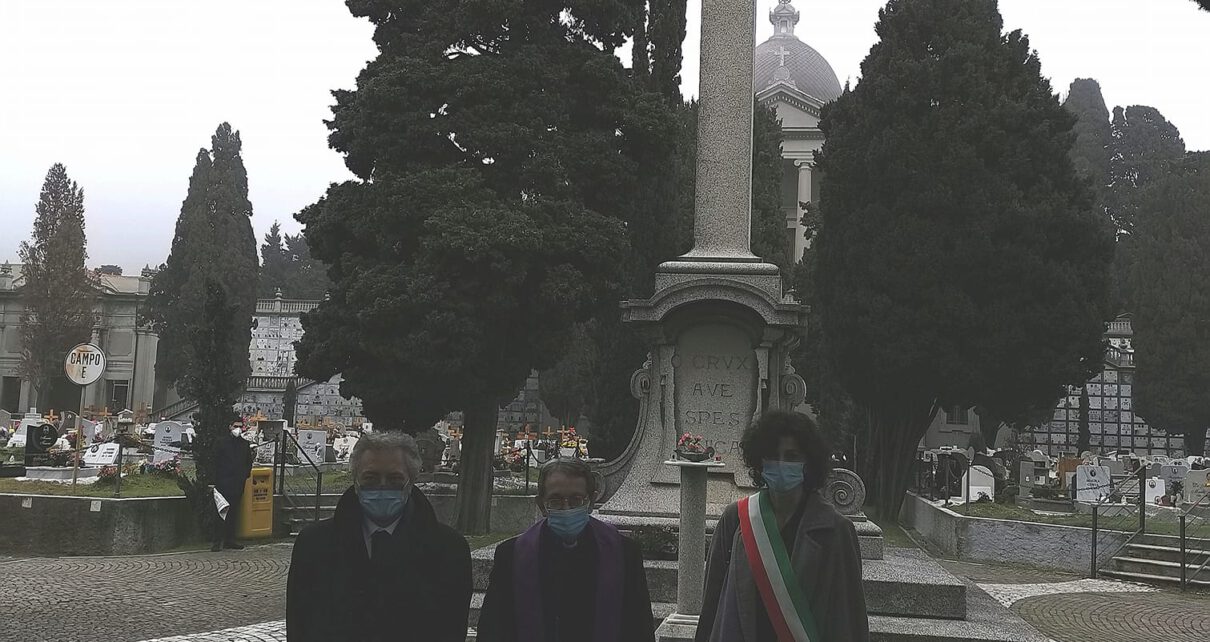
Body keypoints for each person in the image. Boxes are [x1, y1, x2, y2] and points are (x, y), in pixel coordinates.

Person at [697, 410, 869, 642]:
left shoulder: (836, 529)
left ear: (808, 462)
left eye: (791, 456)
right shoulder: (736, 518)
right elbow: (711, 603)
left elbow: (850, 615)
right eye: (772, 455)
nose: (781, 463)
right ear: (759, 461)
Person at [287, 431, 471, 642]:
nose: (382, 486)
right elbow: (299, 626)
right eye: (371, 478)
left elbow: (452, 630)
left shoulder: (450, 549)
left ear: (411, 481)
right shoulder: (313, 545)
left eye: (394, 478)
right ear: (356, 480)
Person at [477, 458, 654, 642]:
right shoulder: (512, 555)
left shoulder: (624, 553)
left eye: (576, 499)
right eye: (555, 500)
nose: (566, 508)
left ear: (591, 501)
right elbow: (493, 628)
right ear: (541, 505)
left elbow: (639, 627)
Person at [212, 424, 254, 551]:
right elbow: (215, 461)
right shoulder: (221, 442)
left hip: (237, 483)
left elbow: (248, 462)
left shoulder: (244, 444)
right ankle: (217, 541)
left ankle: (230, 539)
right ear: (230, 426)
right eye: (236, 426)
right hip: (223, 482)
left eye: (240, 426)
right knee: (220, 512)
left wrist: (244, 476)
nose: (238, 428)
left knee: (233, 512)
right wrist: (216, 479)